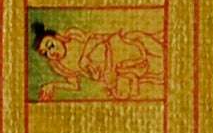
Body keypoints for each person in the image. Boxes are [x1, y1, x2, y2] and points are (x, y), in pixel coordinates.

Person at [30, 19, 166, 101]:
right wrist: (53, 85)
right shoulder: (59, 66)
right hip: (111, 72)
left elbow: (95, 39)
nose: (51, 53)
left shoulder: (72, 36)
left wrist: (84, 57)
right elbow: (75, 85)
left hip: (113, 48)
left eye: (51, 46)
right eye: (46, 53)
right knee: (150, 74)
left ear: (58, 38)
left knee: (150, 49)